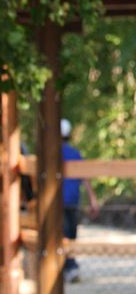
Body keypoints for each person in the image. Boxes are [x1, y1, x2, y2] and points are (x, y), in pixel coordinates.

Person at [61, 119, 100, 283]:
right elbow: (86, 179)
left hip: (58, 202)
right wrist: (93, 200)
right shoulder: (74, 153)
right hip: (71, 201)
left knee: (63, 234)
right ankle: (69, 267)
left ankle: (68, 267)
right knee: (70, 234)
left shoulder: (49, 153)